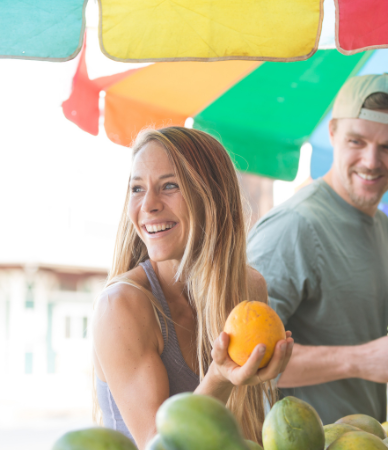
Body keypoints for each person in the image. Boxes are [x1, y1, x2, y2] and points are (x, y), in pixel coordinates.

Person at [247, 74, 388, 424]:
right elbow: (249, 358)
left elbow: (359, 345)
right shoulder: (294, 226)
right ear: (333, 133)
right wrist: (359, 359)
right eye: (357, 141)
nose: (371, 161)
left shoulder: (380, 226)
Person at [92, 127, 294, 448]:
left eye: (169, 185)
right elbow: (159, 445)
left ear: (211, 196)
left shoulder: (249, 288)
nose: (149, 205)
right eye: (137, 188)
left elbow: (246, 432)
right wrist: (219, 378)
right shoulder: (122, 305)